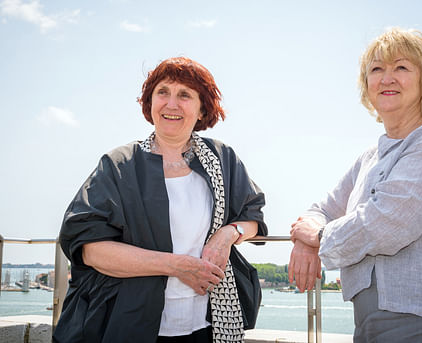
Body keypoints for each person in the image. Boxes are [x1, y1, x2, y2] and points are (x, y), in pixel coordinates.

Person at [288, 28, 422, 343]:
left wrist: (320, 237)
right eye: (377, 69)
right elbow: (322, 209)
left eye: (402, 68)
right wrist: (305, 241)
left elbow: (391, 222)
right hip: (368, 319)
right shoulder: (370, 156)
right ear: (367, 86)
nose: (387, 78)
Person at [53, 57, 267, 343]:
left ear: (202, 108)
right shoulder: (119, 165)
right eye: (162, 92)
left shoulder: (222, 158)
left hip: (207, 324)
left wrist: (229, 234)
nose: (171, 104)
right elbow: (90, 250)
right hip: (130, 322)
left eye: (185, 95)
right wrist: (175, 265)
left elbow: (252, 217)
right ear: (150, 103)